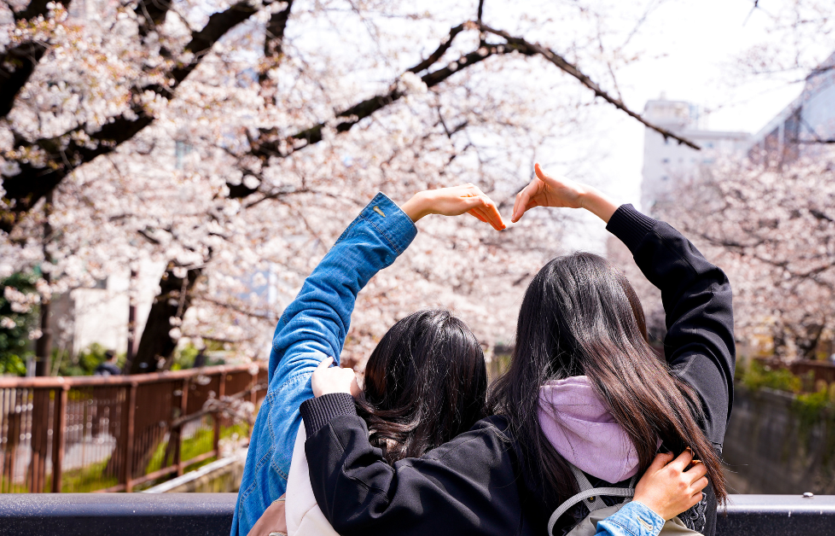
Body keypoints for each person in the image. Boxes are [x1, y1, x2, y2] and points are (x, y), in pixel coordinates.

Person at [301, 163, 734, 535]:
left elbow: (371, 504)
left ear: (531, 341)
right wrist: (591, 202)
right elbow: (703, 288)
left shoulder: (504, 449)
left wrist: (337, 405)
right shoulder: (688, 412)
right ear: (630, 327)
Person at [231, 185, 508, 536]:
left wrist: (417, 206)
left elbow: (318, 303)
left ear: (381, 367)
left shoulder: (302, 407)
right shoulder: (465, 484)